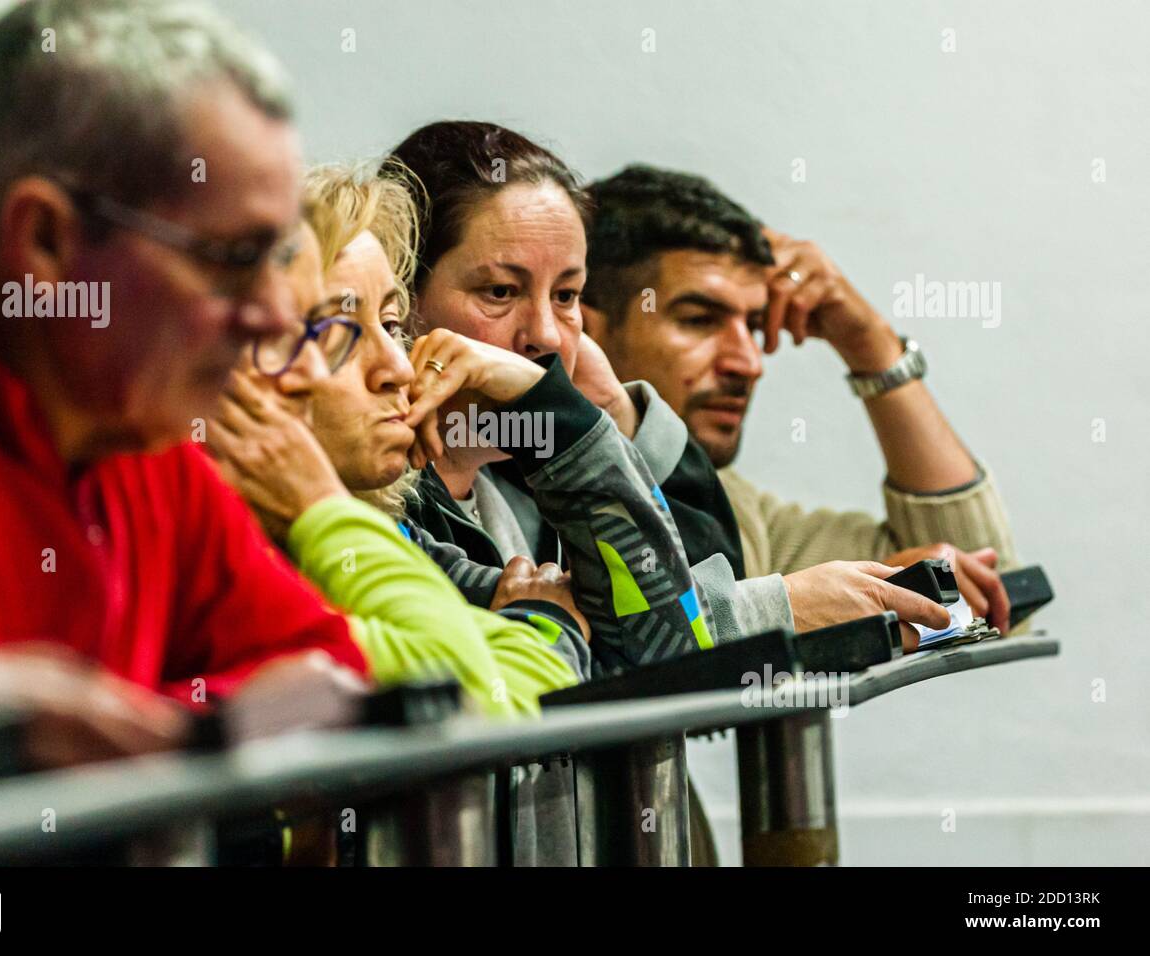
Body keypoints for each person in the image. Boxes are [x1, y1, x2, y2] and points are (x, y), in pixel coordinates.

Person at [0, 0, 447, 766]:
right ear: (46, 240)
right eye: (231, 258)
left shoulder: (136, 430)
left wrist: (146, 735)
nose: (275, 319)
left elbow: (321, 665)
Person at [385, 121, 951, 654]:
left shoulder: (536, 475)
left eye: (565, 296)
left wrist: (613, 413)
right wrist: (778, 610)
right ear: (402, 301)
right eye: (501, 291)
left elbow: (703, 572)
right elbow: (635, 650)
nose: (548, 337)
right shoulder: (377, 496)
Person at [208, 166, 579, 714]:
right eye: (332, 331)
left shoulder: (394, 533)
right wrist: (544, 627)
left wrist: (563, 409)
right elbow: (472, 711)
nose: (397, 369)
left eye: (391, 324)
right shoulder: (225, 563)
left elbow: (656, 623)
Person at [581, 165, 1015, 630]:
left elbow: (987, 591)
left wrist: (870, 345)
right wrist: (781, 610)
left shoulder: (735, 507)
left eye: (751, 325)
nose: (749, 362)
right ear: (584, 330)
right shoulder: (522, 499)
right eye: (698, 320)